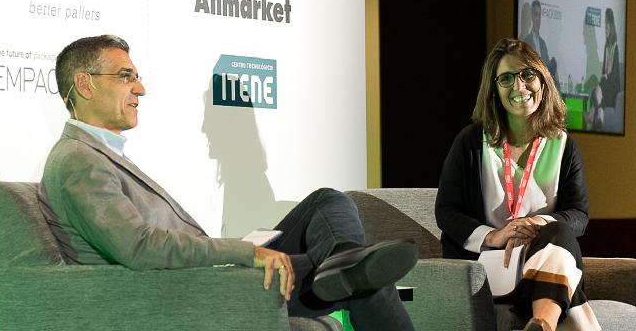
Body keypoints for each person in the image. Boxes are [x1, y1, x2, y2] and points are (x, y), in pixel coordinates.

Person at [38, 35, 417, 329]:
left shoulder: (95, 154)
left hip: (205, 277)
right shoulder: (78, 160)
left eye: (136, 77)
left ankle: (343, 257)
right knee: (366, 274)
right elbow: (139, 247)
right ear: (84, 84)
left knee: (327, 201)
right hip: (194, 291)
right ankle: (347, 263)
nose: (140, 89)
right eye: (126, 77)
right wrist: (244, 252)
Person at [436, 38, 601, 331]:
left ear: (543, 81)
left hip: (541, 259)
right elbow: (446, 212)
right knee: (565, 277)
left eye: (527, 75)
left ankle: (541, 324)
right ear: (494, 90)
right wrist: (495, 235)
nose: (519, 86)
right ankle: (545, 323)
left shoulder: (564, 146)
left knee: (559, 231)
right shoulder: (471, 142)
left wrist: (538, 224)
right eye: (506, 79)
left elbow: (579, 214)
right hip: (489, 265)